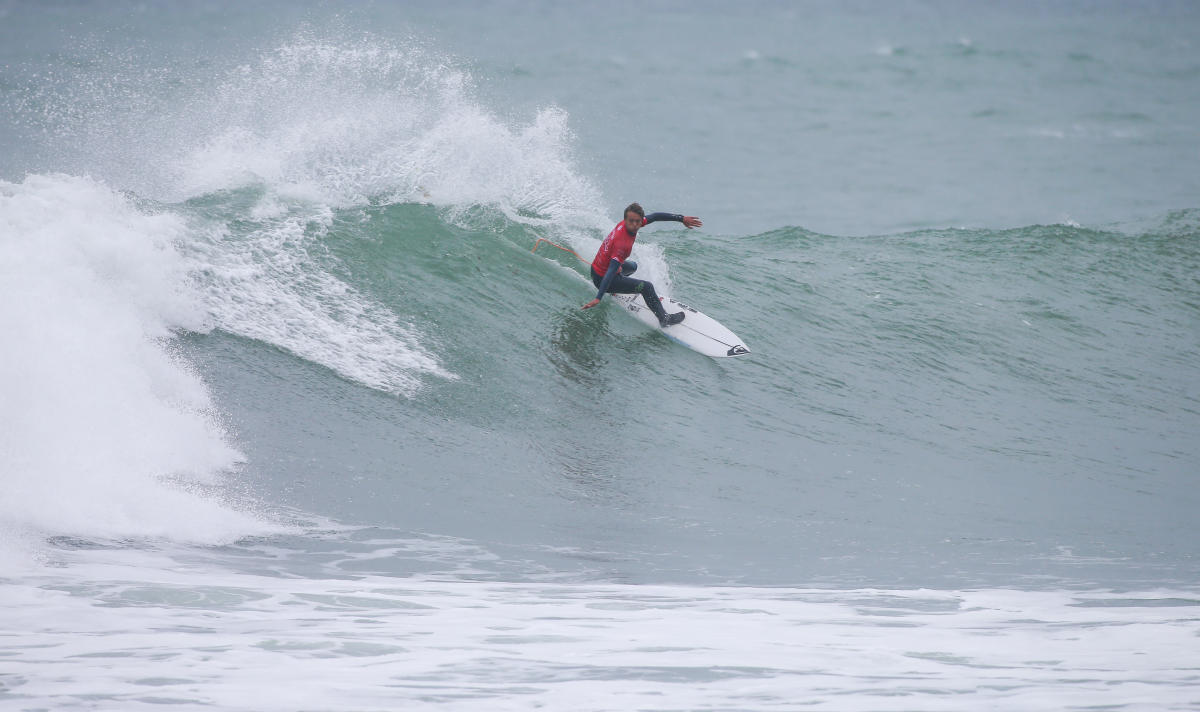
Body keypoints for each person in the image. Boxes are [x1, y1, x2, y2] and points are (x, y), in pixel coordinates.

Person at [581, 202, 702, 327]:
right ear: (625, 219)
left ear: (641, 220)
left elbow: (655, 216)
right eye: (631, 221)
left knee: (633, 266)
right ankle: (664, 319)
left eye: (638, 222)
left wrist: (681, 218)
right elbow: (611, 270)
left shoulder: (626, 224)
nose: (634, 225)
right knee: (647, 287)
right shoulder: (622, 244)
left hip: (597, 269)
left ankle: (617, 286)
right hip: (601, 279)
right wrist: (598, 298)